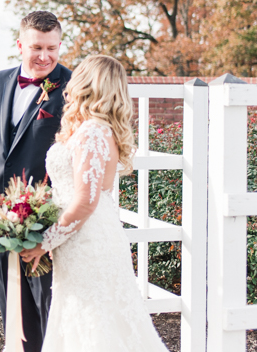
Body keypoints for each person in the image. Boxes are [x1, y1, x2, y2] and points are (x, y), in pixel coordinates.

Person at [20, 55, 168, 351]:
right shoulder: (94, 128)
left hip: (88, 240)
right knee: (85, 320)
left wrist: (45, 242)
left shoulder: (93, 132)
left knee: (96, 322)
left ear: (86, 83)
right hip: (84, 236)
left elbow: (85, 202)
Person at [0, 11, 72, 352]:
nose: (45, 57)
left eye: (52, 48)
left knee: (50, 312)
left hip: (47, 223)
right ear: (20, 45)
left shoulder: (73, 88)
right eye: (36, 48)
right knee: (12, 311)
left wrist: (52, 222)